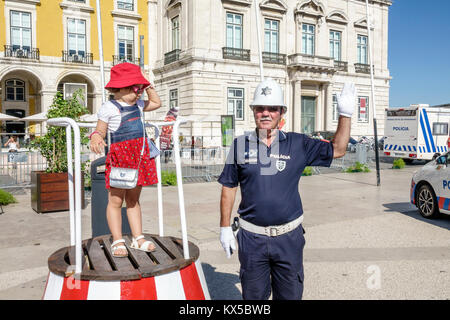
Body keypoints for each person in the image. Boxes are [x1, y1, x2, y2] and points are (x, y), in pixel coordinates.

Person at [218, 78, 356, 300]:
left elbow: (338, 149)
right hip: (252, 239)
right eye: (260, 108)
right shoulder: (240, 145)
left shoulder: (298, 144)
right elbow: (229, 187)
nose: (266, 113)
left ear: (281, 112)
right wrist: (224, 227)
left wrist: (345, 114)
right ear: (253, 110)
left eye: (272, 108)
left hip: (288, 239)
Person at [90, 62, 162, 258]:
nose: (139, 92)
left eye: (140, 88)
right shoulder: (109, 107)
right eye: (136, 88)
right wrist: (96, 137)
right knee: (115, 200)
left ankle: (138, 237)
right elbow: (100, 130)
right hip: (121, 159)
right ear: (119, 89)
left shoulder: (138, 104)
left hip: (138, 157)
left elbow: (156, 103)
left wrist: (149, 87)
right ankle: (118, 239)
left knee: (133, 200)